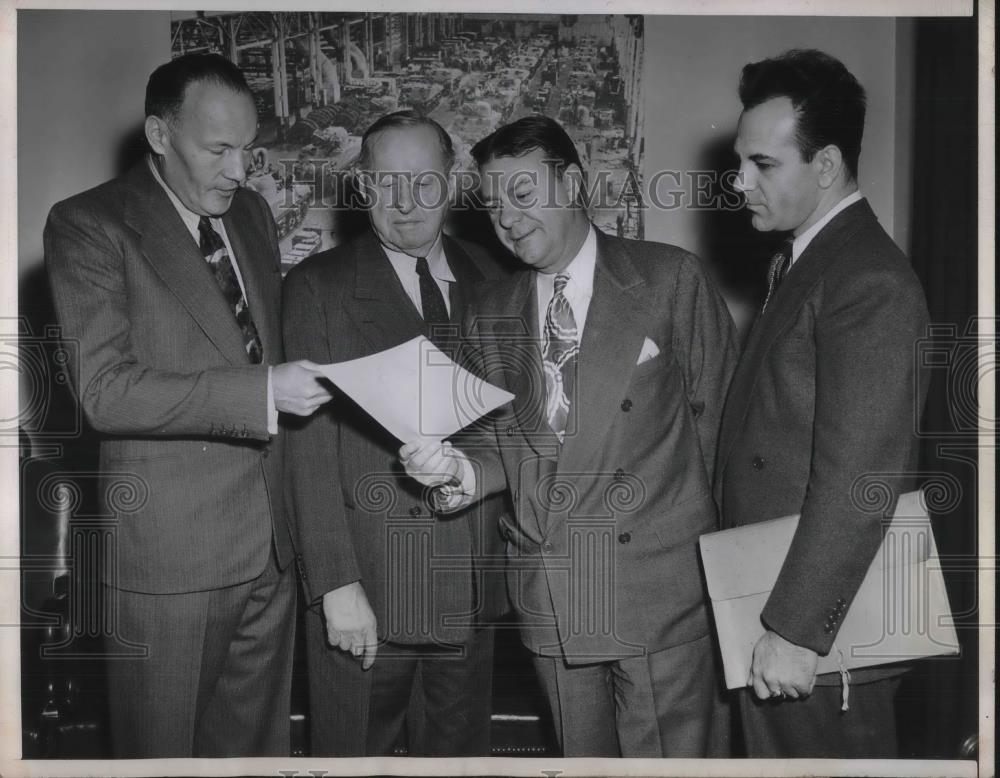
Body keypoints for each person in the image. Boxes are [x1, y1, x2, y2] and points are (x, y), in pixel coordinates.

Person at [400, 115, 736, 757]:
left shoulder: (669, 281)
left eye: (523, 196)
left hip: (658, 599)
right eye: (495, 205)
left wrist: (731, 585)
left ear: (574, 184)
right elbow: (501, 448)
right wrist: (454, 472)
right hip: (550, 596)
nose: (507, 220)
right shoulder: (490, 311)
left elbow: (720, 432)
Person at [43, 53, 333, 757]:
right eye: (219, 150)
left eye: (248, 149)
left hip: (269, 552)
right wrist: (263, 392)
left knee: (255, 756)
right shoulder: (88, 225)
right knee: (160, 757)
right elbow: (106, 391)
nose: (240, 171)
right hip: (168, 564)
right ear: (158, 134)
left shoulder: (255, 215)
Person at [715, 49, 931, 758]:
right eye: (741, 161)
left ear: (828, 165)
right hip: (777, 601)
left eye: (763, 165)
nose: (738, 181)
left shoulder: (866, 279)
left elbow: (861, 479)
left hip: (815, 635)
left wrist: (798, 630)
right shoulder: (811, 260)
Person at [282, 111, 510, 757]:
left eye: (422, 182)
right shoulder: (316, 289)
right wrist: (334, 585)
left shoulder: (497, 278)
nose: (405, 204)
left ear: (453, 181)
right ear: (361, 186)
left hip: (470, 592)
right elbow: (307, 453)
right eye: (385, 183)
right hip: (366, 598)